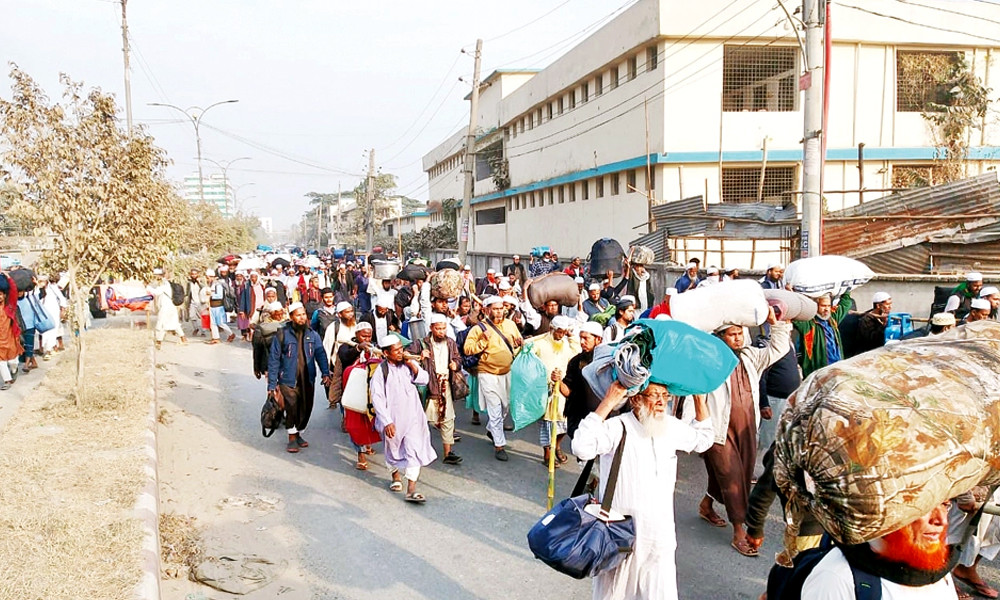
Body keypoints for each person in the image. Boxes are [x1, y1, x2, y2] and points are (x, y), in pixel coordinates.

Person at [572, 381, 713, 600]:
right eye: (654, 395)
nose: (660, 402)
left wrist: (699, 401)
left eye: (665, 396)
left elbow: (703, 440)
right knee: (614, 595)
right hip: (619, 536)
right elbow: (582, 446)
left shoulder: (669, 426)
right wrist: (609, 401)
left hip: (659, 537)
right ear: (636, 399)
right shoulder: (618, 427)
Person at [694, 308, 790, 557]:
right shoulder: (709, 360)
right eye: (731, 334)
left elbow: (777, 350)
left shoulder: (750, 356)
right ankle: (739, 531)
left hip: (747, 426)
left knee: (736, 473)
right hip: (718, 429)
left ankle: (706, 505)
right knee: (733, 477)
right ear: (720, 337)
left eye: (739, 333)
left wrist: (775, 324)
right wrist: (696, 428)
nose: (737, 338)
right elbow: (698, 395)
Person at [799, 501, 961, 597]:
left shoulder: (939, 569)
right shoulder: (837, 578)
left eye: (945, 504)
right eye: (927, 506)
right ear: (887, 511)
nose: (942, 520)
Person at [369, 332, 437, 503]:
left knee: (414, 449)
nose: (401, 353)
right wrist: (387, 422)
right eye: (397, 351)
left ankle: (411, 489)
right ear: (386, 353)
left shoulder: (408, 364)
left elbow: (424, 379)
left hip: (413, 417)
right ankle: (395, 476)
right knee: (392, 450)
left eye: (401, 349)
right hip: (393, 420)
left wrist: (412, 365)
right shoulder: (381, 372)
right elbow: (377, 399)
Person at [463, 296, 522, 461]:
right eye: (495, 308)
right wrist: (483, 341)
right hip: (487, 373)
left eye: (501, 308)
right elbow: (468, 349)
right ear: (486, 310)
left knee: (505, 407)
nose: (499, 311)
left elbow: (518, 342)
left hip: (507, 372)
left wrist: (518, 343)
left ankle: (491, 429)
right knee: (495, 410)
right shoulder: (478, 329)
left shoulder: (510, 325)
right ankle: (499, 446)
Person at [267, 302, 332, 453]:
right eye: (298, 315)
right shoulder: (282, 334)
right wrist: (272, 384)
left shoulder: (312, 334)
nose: (302, 318)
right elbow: (274, 359)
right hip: (287, 379)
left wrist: (325, 373)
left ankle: (299, 433)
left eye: (303, 314)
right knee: (292, 407)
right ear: (291, 317)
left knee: (306, 408)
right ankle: (291, 437)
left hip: (307, 378)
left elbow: (320, 354)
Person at [410, 313, 463, 466]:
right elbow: (404, 355)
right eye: (438, 329)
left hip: (445, 384)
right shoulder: (422, 343)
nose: (441, 332)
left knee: (448, 418)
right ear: (431, 328)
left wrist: (456, 365)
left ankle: (448, 453)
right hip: (428, 387)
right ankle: (417, 450)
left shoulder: (451, 342)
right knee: (423, 419)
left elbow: (458, 358)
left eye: (443, 328)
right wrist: (419, 356)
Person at [530, 315, 579, 466]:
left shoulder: (567, 344)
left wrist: (570, 336)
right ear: (552, 329)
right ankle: (547, 455)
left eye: (564, 332)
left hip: (563, 390)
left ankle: (557, 446)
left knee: (564, 424)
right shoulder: (538, 344)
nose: (561, 334)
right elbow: (526, 355)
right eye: (559, 331)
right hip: (546, 390)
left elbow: (577, 350)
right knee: (547, 425)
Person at [792, 291, 853, 379]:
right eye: (823, 306)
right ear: (815, 306)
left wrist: (847, 289)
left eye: (828, 306)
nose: (826, 309)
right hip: (819, 374)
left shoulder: (832, 319)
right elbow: (795, 313)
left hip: (837, 369)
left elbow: (845, 303)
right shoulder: (808, 324)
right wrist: (793, 294)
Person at [561, 321, 604, 438]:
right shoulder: (575, 362)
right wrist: (557, 382)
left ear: (598, 339)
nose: (581, 342)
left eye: (586, 338)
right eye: (580, 338)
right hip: (579, 415)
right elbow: (568, 391)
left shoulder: (607, 362)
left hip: (602, 416)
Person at [147, 268, 187, 350]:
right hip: (171, 307)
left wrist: (147, 287)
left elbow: (157, 292)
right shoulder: (166, 283)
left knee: (161, 324)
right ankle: (183, 339)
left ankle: (158, 342)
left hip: (166, 307)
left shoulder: (164, 284)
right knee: (174, 324)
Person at [0, 278, 23, 390]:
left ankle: (14, 370)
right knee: (1, 362)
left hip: (11, 339)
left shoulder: (10, 306)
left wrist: (8, 278)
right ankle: (7, 380)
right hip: (0, 342)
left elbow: (13, 291)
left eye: (0, 294)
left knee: (13, 362)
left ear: (4, 295)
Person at [36, 273, 67, 356]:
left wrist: (63, 310)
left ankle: (50, 349)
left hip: (54, 311)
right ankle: (47, 348)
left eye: (43, 281)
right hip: (43, 313)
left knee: (53, 330)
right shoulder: (37, 290)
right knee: (45, 331)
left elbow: (62, 298)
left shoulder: (52, 287)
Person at [853, 291, 892, 355]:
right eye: (887, 304)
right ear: (878, 305)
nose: (890, 307)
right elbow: (872, 340)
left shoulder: (885, 318)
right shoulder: (866, 320)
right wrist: (884, 325)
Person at [204, 269, 235, 344]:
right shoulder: (210, 285)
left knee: (221, 323)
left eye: (208, 277)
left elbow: (219, 296)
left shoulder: (218, 284)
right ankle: (216, 338)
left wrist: (211, 294)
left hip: (218, 306)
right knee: (213, 323)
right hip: (212, 306)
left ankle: (231, 334)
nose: (207, 279)